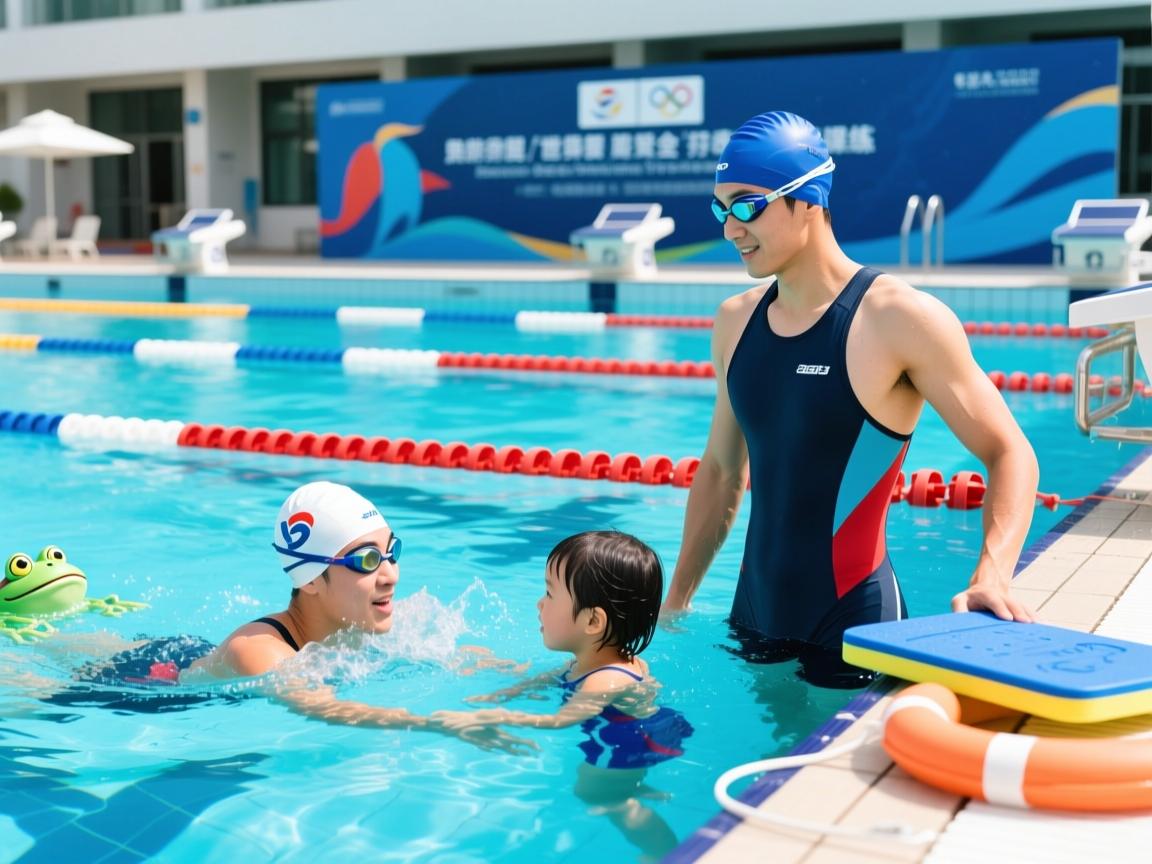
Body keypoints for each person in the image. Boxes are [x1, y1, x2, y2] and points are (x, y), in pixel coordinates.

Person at [661, 110, 1039, 687]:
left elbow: (1010, 452)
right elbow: (719, 471)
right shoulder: (735, 321)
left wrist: (994, 575)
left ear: (808, 199)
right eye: (720, 208)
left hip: (855, 625)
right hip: (753, 614)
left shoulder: (898, 318)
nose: (730, 227)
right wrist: (676, 603)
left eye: (747, 205)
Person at [40, 482, 531, 752]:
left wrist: (531, 683)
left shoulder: (366, 614)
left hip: (184, 650)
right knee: (31, 684)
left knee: (87, 639)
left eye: (391, 551)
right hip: (147, 689)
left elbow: (449, 650)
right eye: (365, 561)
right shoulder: (257, 654)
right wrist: (442, 724)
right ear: (311, 580)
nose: (391, 575)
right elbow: (322, 707)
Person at [435, 531, 693, 859]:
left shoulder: (605, 679)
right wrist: (506, 685)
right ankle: (634, 785)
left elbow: (561, 721)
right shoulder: (595, 658)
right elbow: (556, 678)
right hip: (635, 730)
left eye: (549, 593)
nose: (539, 603)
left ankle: (664, 850)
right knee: (606, 788)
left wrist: (491, 717)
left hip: (624, 742)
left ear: (592, 621)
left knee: (598, 796)